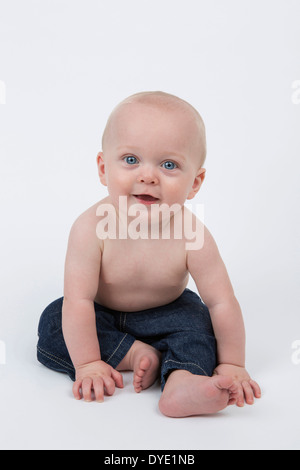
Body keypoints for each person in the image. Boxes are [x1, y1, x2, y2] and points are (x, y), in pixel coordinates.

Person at [37, 91, 261, 417]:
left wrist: (232, 364)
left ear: (194, 183)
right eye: (130, 160)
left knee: (200, 324)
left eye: (169, 165)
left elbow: (221, 302)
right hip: (101, 313)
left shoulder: (191, 233)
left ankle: (182, 382)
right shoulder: (90, 228)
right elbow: (79, 301)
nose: (147, 176)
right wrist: (87, 363)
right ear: (103, 168)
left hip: (170, 312)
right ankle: (131, 354)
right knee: (54, 322)